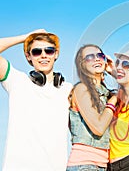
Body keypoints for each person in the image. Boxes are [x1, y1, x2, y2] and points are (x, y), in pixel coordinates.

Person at [0, 30, 73, 170]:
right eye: (37, 52)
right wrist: (25, 37)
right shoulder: (16, 81)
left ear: (56, 54)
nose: (43, 55)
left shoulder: (68, 90)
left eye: (49, 51)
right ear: (28, 56)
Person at [67, 44, 117, 171]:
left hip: (102, 165)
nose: (96, 59)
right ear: (82, 65)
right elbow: (98, 128)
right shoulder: (81, 89)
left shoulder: (105, 93)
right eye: (89, 57)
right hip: (85, 164)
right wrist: (114, 100)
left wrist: (114, 72)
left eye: (100, 56)